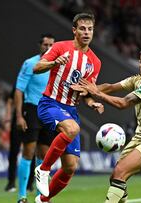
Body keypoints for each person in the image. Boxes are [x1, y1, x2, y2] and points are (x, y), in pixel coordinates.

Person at [76, 47, 141, 203]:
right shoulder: (137, 79)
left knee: (120, 172)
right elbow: (111, 87)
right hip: (139, 137)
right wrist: (87, 89)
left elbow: (123, 103)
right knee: (115, 177)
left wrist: (96, 93)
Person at [33, 13, 104, 203]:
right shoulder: (60, 47)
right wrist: (54, 62)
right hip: (50, 103)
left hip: (71, 110)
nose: (86, 32)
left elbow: (86, 92)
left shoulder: (94, 62)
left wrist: (92, 102)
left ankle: (42, 200)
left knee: (70, 167)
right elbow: (37, 67)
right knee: (72, 128)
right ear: (74, 30)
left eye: (90, 29)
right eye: (82, 28)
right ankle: (43, 169)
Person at [14, 34, 56, 203]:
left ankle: (41, 196)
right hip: (31, 109)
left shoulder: (57, 65)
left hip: (48, 111)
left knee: (45, 156)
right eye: (45, 44)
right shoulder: (30, 64)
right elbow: (19, 90)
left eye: (51, 45)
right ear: (40, 45)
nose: (48, 47)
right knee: (28, 152)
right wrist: (19, 115)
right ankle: (22, 196)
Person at [4, 86, 34, 193]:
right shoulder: (21, 81)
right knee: (14, 151)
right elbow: (10, 101)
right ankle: (11, 182)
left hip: (33, 119)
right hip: (17, 120)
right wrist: (7, 119)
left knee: (32, 152)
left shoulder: (39, 78)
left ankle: (30, 184)